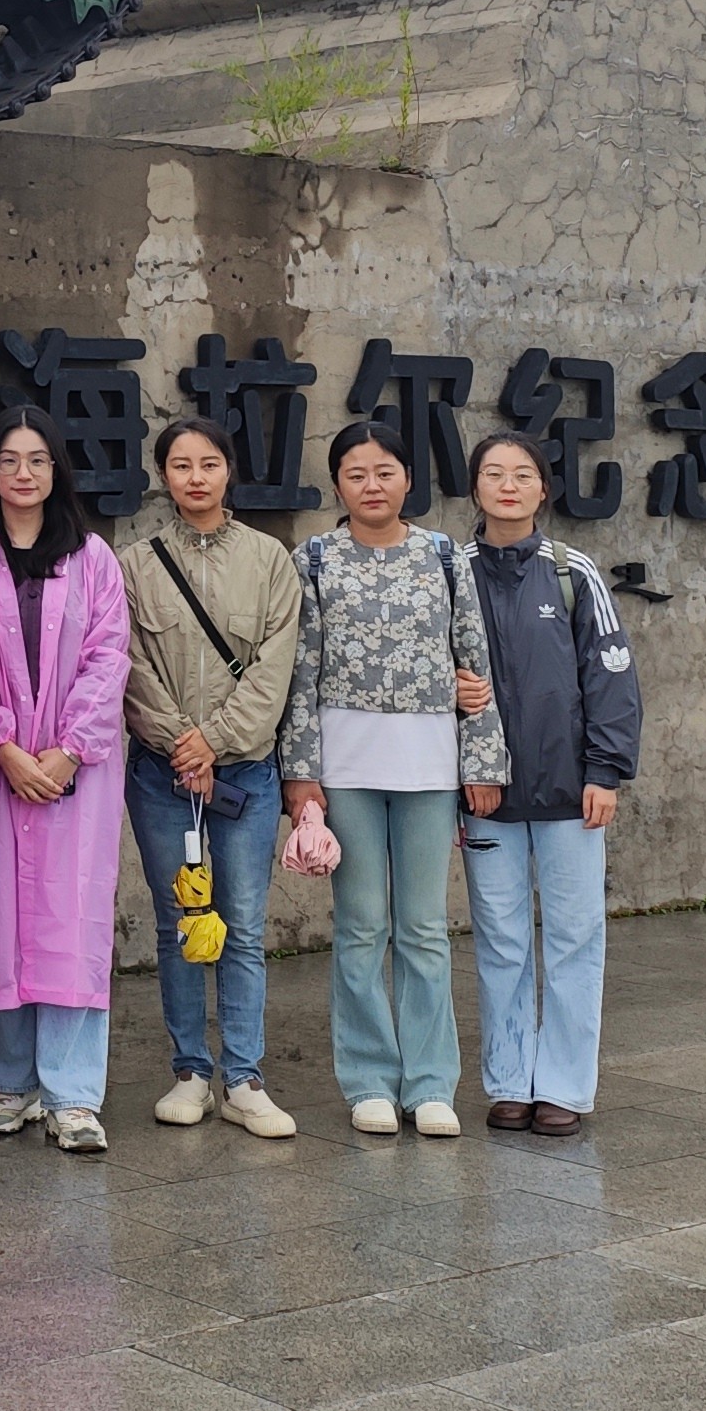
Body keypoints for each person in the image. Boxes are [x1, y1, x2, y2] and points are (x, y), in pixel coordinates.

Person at [281, 422, 508, 1139]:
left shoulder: (444, 555)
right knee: (360, 927)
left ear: (409, 479)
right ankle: (369, 1081)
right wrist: (301, 775)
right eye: (356, 474)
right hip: (344, 769)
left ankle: (432, 1082)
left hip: (428, 768)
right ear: (337, 485)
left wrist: (482, 762)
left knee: (424, 928)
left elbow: (474, 661)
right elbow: (299, 673)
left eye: (385, 472)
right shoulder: (314, 559)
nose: (371, 486)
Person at [0, 409, 133, 1151]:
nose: (24, 474)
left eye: (38, 460)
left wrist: (69, 750)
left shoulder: (92, 558)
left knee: (72, 921)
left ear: (58, 470)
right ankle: (10, 1083)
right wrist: (4, 750)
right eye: (9, 460)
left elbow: (109, 657)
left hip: (75, 772)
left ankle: (74, 1095)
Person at [120, 417, 307, 1138]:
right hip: (163, 774)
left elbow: (274, 667)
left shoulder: (269, 559)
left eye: (208, 463)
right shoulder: (136, 565)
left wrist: (216, 740)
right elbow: (129, 665)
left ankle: (245, 1078)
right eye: (180, 465)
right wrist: (181, 743)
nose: (195, 477)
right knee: (179, 922)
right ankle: (190, 1072)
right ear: (163, 475)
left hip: (245, 776)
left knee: (245, 927)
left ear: (229, 471)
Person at [457, 432, 640, 1134]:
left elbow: (612, 674)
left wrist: (605, 771)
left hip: (571, 793)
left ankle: (563, 1086)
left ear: (543, 489)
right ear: (475, 487)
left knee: (573, 938)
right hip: (487, 797)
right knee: (501, 941)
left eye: (522, 474)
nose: (508, 486)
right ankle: (510, 1080)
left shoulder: (573, 572)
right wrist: (466, 771)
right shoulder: (451, 571)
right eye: (493, 473)